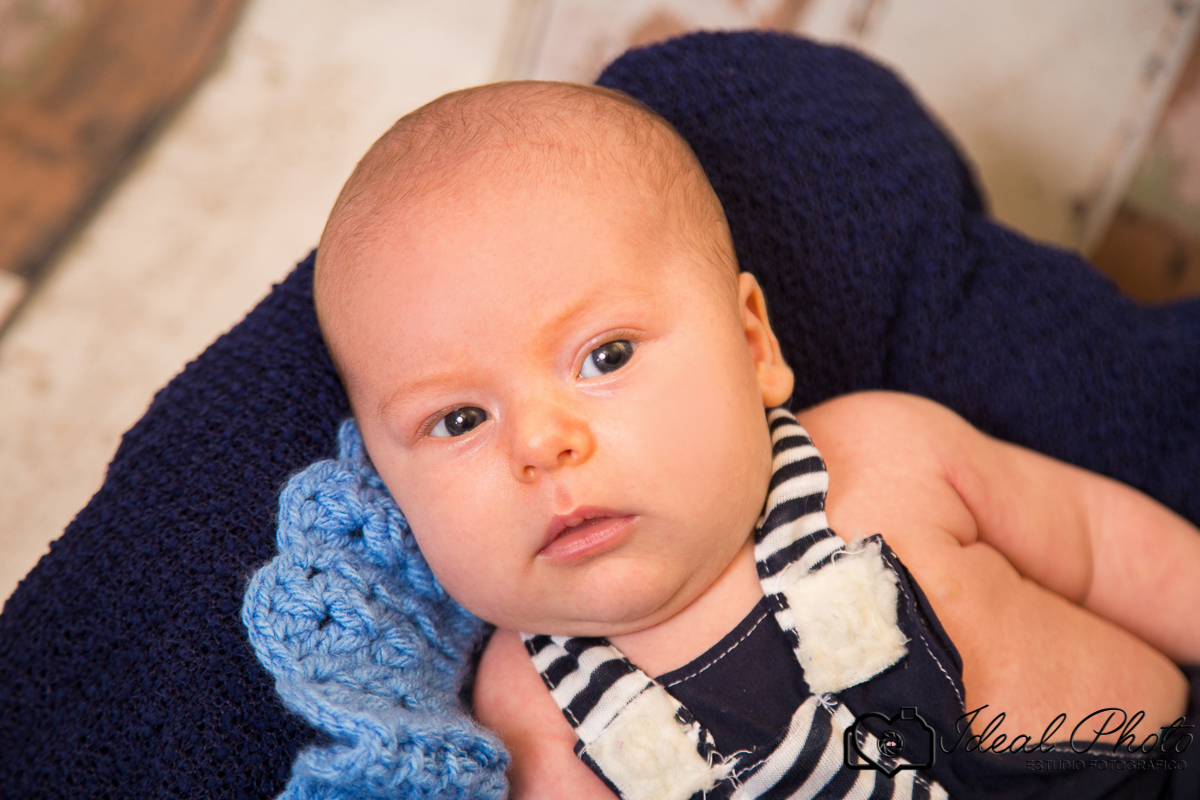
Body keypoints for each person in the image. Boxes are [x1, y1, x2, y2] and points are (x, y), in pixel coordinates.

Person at [312, 80, 1200, 799]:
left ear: (752, 346)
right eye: (459, 420)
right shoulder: (530, 710)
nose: (541, 445)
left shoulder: (886, 452)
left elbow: (1104, 550)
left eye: (605, 354)